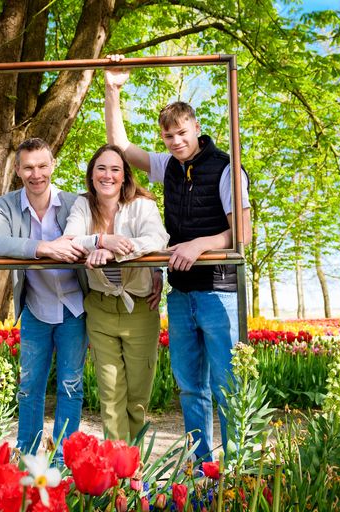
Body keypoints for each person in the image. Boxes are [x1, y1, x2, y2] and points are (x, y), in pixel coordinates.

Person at [104, 56, 252, 461]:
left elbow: (243, 234)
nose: (175, 141)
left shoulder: (227, 169)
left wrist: (198, 244)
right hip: (181, 292)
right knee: (190, 387)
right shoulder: (166, 165)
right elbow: (121, 146)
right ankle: (201, 467)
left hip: (220, 290)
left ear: (197, 128)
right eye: (168, 136)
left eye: (182, 133)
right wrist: (112, 90)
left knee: (229, 384)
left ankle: (238, 467)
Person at [0, 138, 90, 461]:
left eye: (43, 166)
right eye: (28, 167)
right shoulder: (4, 205)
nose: (36, 174)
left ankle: (62, 461)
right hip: (35, 308)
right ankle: (28, 458)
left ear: (52, 165)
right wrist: (44, 248)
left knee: (71, 386)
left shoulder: (74, 203)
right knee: (29, 387)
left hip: (74, 307)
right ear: (18, 170)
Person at [64, 144, 168, 441]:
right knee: (110, 395)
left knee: (137, 396)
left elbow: (157, 238)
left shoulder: (142, 205)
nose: (107, 175)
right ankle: (117, 465)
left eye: (115, 169)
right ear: (91, 174)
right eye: (101, 168)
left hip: (141, 307)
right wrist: (100, 240)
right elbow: (70, 239)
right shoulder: (83, 205)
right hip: (101, 308)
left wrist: (115, 252)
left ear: (125, 176)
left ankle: (134, 461)